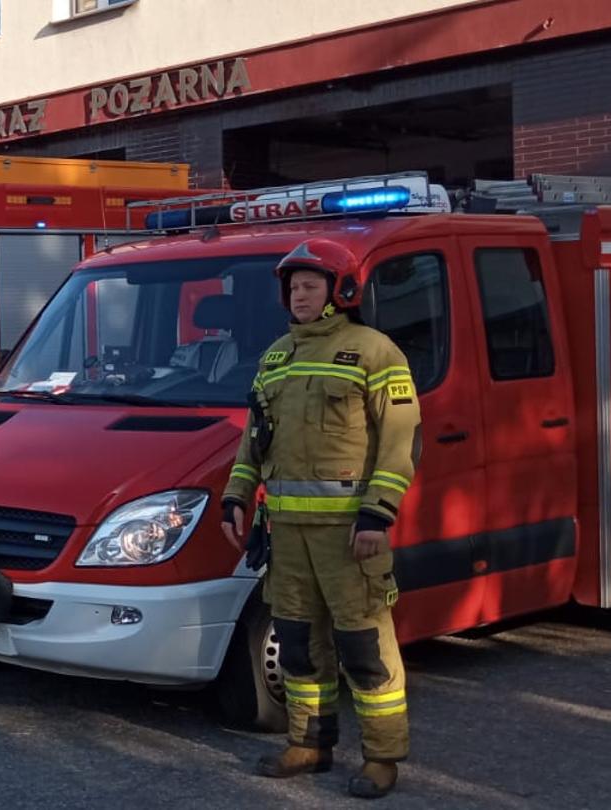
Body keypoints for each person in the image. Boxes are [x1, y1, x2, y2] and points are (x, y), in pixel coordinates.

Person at [221, 239, 420, 799]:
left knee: (365, 650)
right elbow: (254, 439)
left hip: (351, 537)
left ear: (342, 290)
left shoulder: (374, 352)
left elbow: (401, 441)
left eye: (310, 285)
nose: (299, 295)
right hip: (287, 538)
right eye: (292, 287)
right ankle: (309, 744)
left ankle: (382, 757)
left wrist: (377, 515)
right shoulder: (276, 357)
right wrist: (236, 496)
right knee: (299, 645)